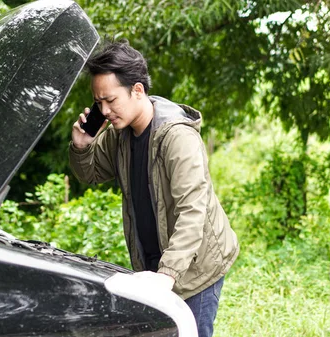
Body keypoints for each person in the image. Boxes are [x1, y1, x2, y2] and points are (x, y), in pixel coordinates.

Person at [68, 40, 239, 337]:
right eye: (98, 103)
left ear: (137, 90)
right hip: (154, 266)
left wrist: (168, 275)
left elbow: (192, 212)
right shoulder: (119, 135)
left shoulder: (177, 139)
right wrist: (81, 147)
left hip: (195, 268)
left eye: (110, 100)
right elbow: (92, 174)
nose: (104, 110)